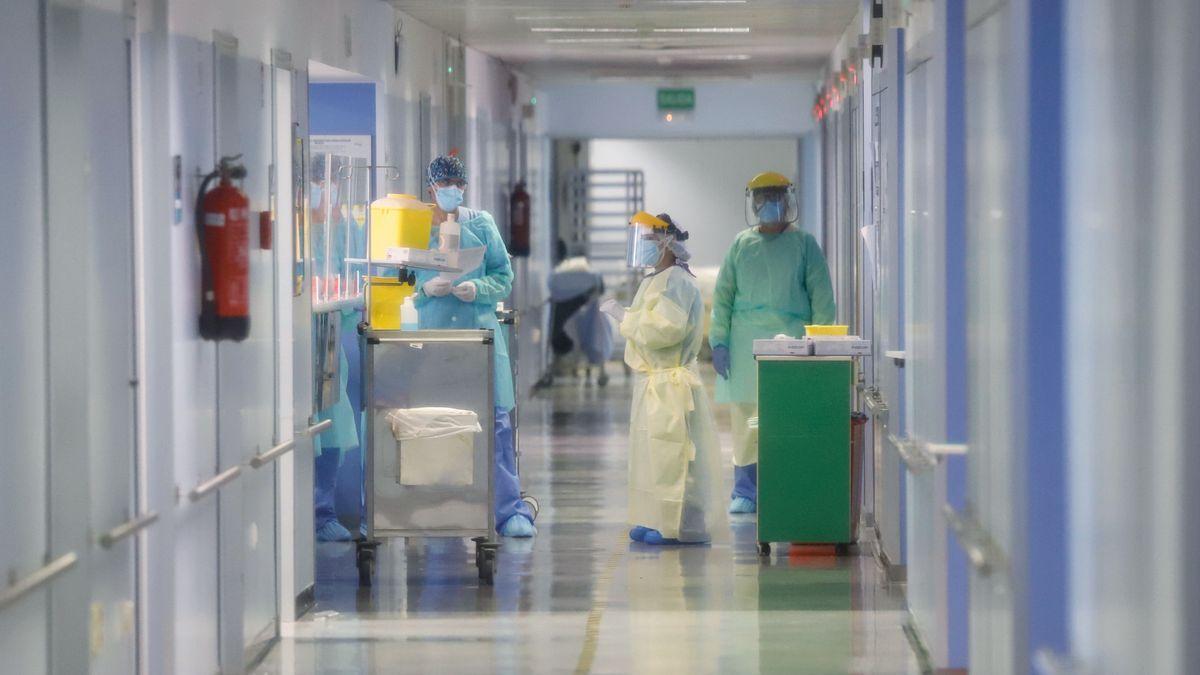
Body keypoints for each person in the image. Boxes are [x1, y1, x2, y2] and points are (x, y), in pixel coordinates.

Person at [412, 153, 536, 538]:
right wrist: (423, 290)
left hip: (480, 339)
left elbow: (503, 275)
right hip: (434, 342)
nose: (452, 191)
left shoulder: (481, 225)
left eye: (458, 185)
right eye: (444, 185)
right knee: (436, 426)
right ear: (431, 187)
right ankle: (440, 507)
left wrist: (477, 289)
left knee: (496, 425)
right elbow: (397, 279)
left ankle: (508, 510)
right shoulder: (415, 228)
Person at [709, 172, 836, 514]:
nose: (768, 206)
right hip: (744, 344)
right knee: (746, 420)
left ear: (787, 202)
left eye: (774, 198)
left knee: (786, 416)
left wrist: (821, 342)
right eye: (762, 199)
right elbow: (723, 298)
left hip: (791, 343)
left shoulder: (804, 245)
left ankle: (787, 483)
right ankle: (746, 491)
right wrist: (718, 340)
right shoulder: (741, 245)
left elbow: (822, 297)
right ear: (753, 203)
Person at [602, 212, 721, 545]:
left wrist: (623, 317)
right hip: (654, 382)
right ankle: (655, 516)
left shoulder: (678, 281)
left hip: (671, 383)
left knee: (674, 456)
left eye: (649, 240)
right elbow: (647, 324)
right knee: (651, 455)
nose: (643, 247)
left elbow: (664, 331)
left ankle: (679, 525)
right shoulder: (653, 279)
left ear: (667, 243)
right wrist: (629, 317)